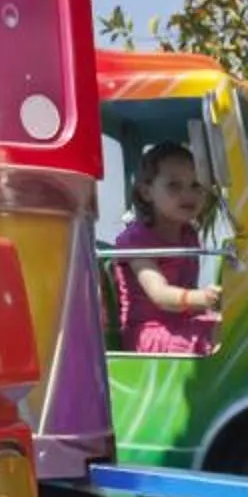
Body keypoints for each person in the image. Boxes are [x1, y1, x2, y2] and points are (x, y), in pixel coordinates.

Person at [105, 143, 226, 357]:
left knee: (239, 326)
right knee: (222, 334)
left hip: (183, 324)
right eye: (174, 186)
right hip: (149, 334)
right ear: (146, 192)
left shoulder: (188, 233)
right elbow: (159, 294)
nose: (188, 194)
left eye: (196, 185)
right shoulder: (137, 239)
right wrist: (203, 298)